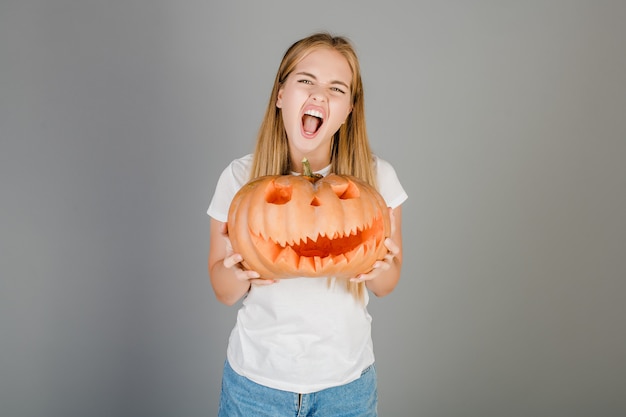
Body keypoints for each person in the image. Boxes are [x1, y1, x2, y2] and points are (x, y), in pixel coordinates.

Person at [207, 32, 408, 417]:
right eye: (306, 81)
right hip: (256, 384)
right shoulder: (239, 178)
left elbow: (388, 284)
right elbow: (224, 291)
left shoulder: (377, 179)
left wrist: (380, 265)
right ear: (281, 94)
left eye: (336, 88)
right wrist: (240, 271)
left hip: (346, 386)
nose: (319, 96)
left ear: (349, 108)